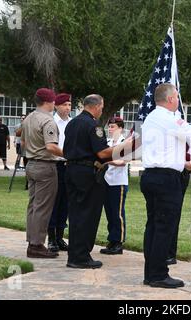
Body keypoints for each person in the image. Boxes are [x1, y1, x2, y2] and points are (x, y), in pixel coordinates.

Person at [141, 83, 191, 288]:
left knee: (152, 225)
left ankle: (150, 273)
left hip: (150, 175)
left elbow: (164, 149)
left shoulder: (150, 117)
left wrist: (182, 163)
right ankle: (159, 274)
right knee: (165, 227)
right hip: (165, 180)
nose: (178, 101)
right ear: (170, 100)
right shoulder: (170, 119)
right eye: (176, 97)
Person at [63, 94, 132, 269]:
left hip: (71, 170)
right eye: (101, 107)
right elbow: (102, 153)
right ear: (95, 106)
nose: (102, 110)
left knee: (76, 214)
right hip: (87, 173)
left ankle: (75, 255)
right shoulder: (94, 125)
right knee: (88, 215)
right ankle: (82, 256)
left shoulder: (72, 123)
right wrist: (125, 146)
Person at [21, 88, 63, 259]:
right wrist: (70, 154)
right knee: (43, 208)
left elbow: (23, 142)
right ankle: (37, 245)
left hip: (31, 163)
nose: (54, 104)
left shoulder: (29, 118)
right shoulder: (48, 121)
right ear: (48, 102)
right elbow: (51, 146)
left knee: (33, 206)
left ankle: (32, 241)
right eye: (53, 101)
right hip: (45, 165)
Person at [100, 116, 129, 255]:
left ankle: (118, 242)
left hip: (119, 182)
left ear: (120, 128)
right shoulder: (108, 142)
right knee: (110, 213)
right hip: (107, 180)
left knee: (118, 213)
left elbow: (122, 162)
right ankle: (112, 240)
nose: (110, 129)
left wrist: (107, 161)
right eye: (109, 127)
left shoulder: (125, 142)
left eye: (113, 127)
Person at [47, 93, 72, 253]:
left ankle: (60, 236)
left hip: (68, 165)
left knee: (65, 202)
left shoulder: (72, 123)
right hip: (54, 164)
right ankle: (51, 238)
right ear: (56, 105)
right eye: (64, 104)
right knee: (54, 202)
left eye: (70, 105)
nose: (67, 108)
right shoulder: (51, 122)